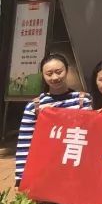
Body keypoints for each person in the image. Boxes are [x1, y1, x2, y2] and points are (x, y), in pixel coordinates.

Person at [15, 53, 92, 186]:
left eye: (59, 72)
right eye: (49, 74)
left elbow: (89, 134)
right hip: (46, 168)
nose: (55, 77)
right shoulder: (34, 106)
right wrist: (20, 178)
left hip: (76, 166)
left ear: (67, 70)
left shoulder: (82, 100)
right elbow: (25, 142)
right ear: (43, 75)